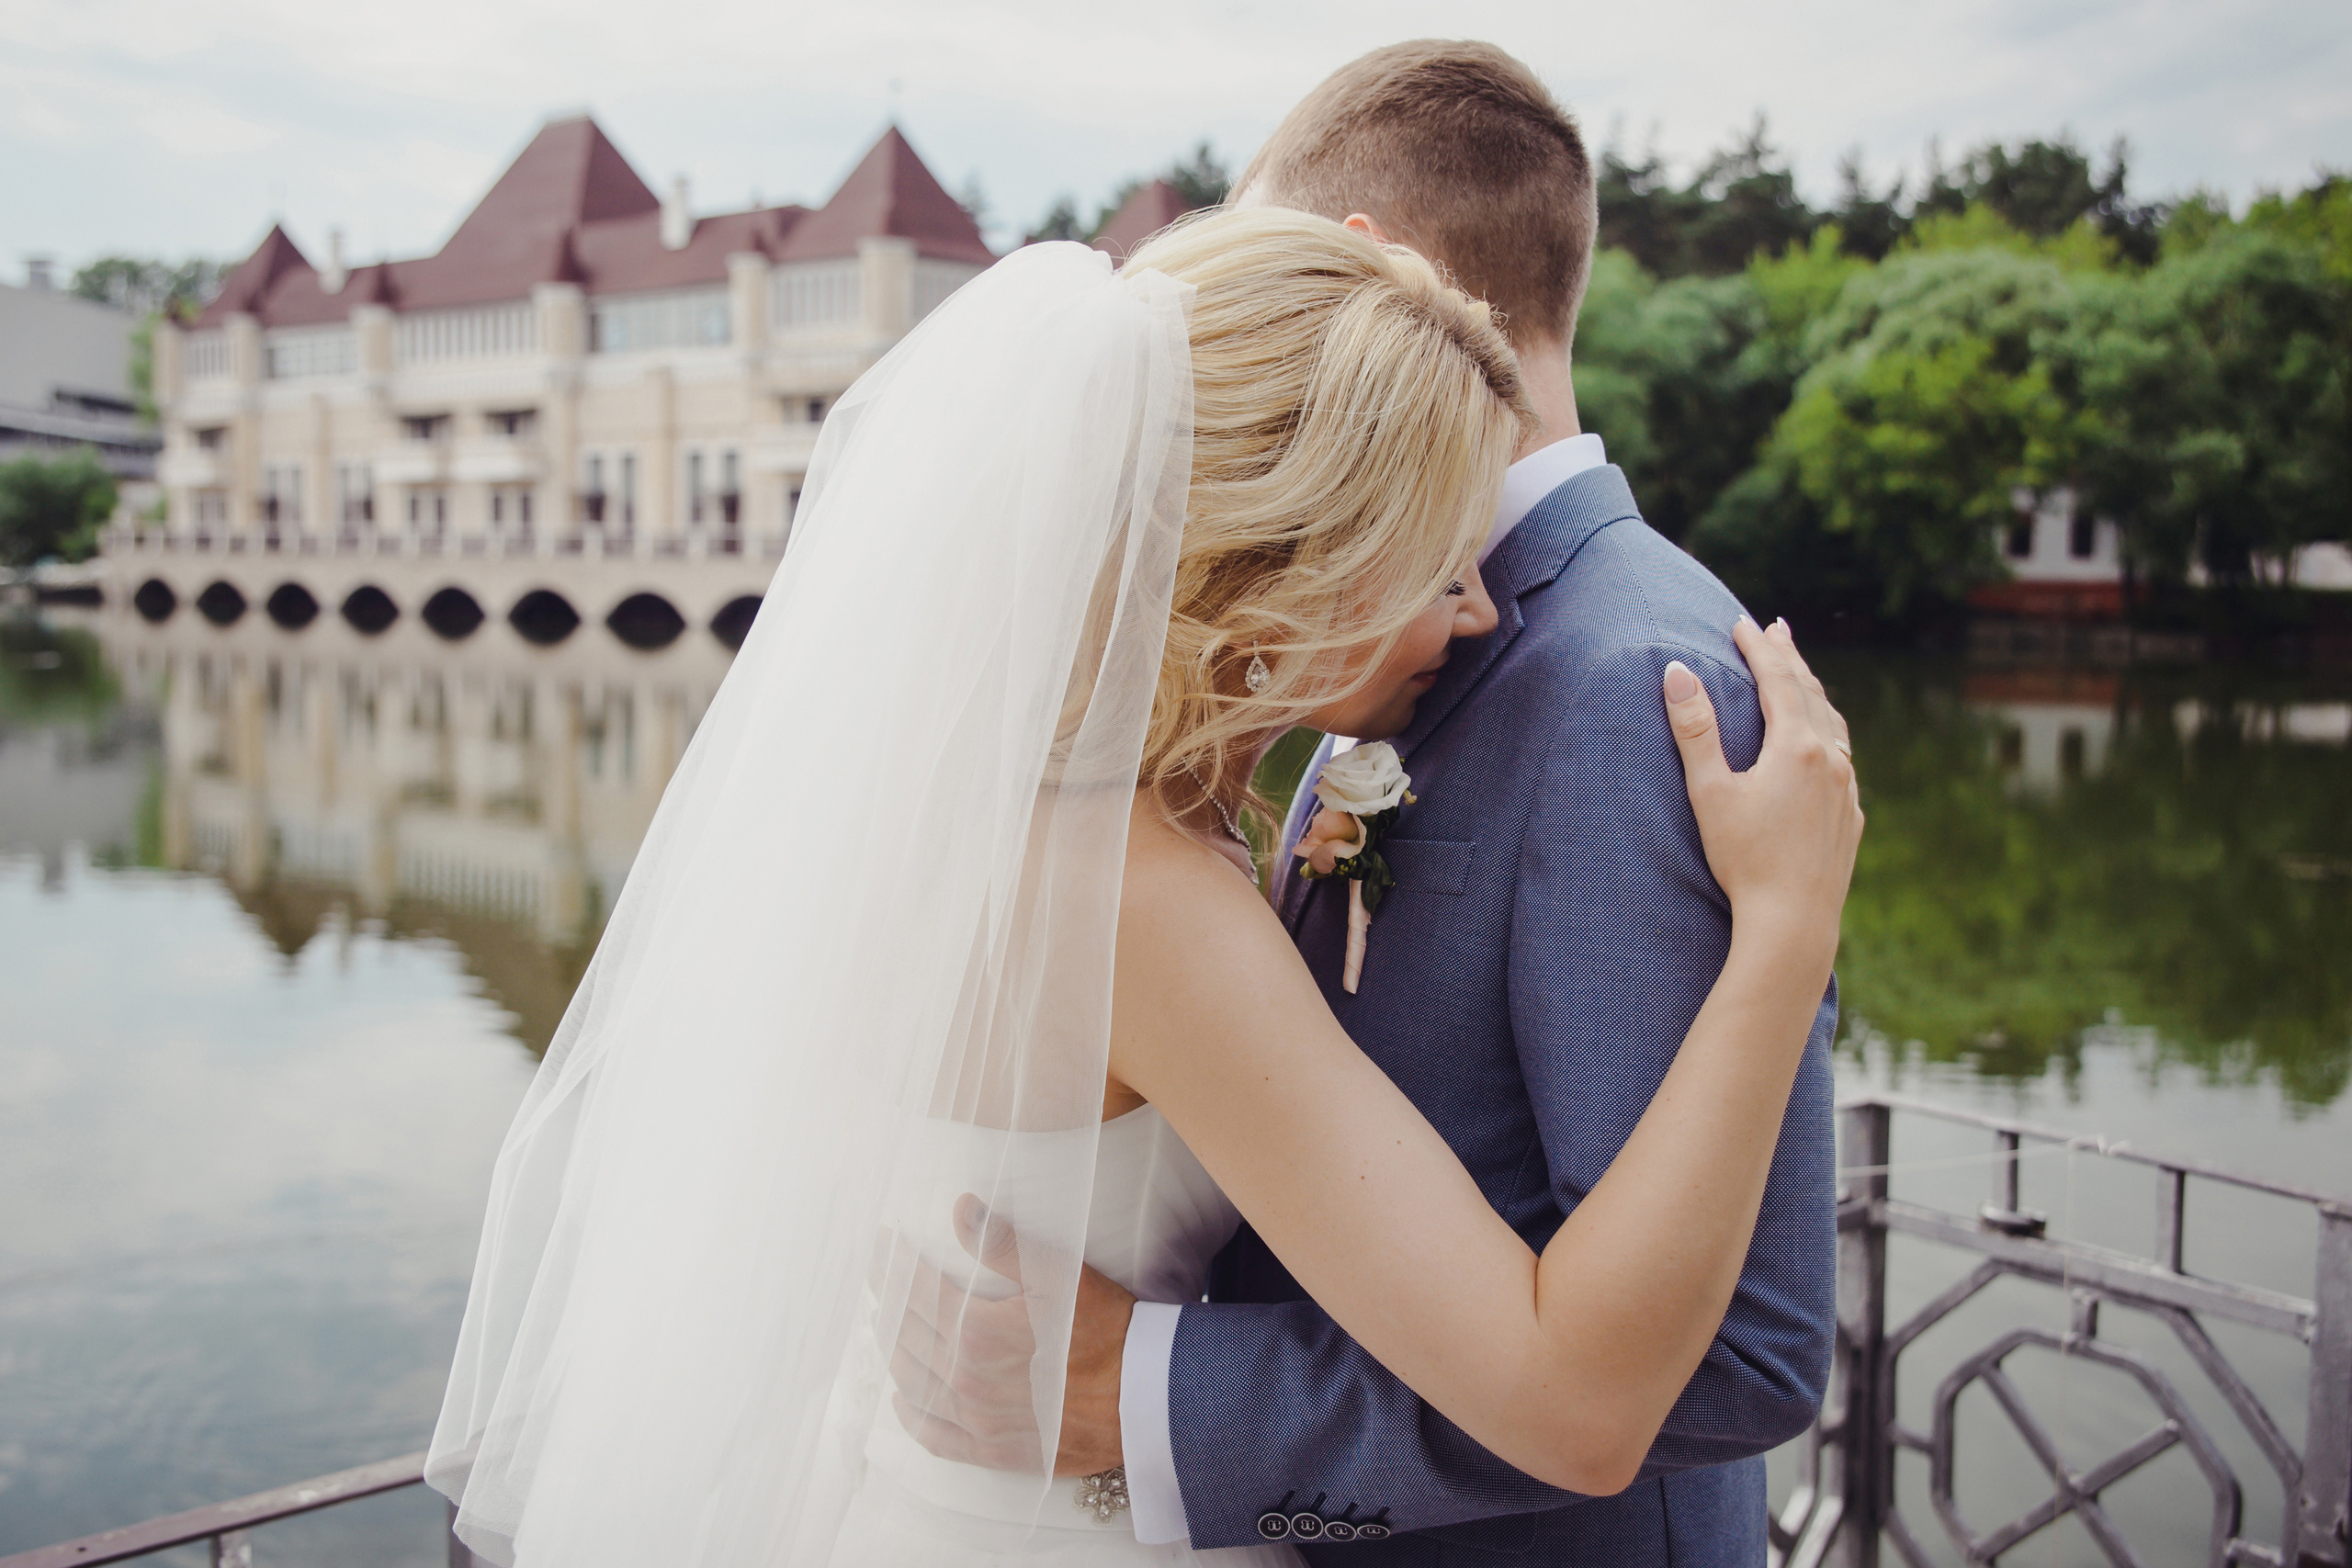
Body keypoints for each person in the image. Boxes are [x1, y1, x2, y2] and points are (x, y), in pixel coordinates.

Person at [425, 202, 1859, 1567]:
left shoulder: (974, 793)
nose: (1480, 606)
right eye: (1437, 559)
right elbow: (1577, 1402)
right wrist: (1784, 935)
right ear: (1290, 585)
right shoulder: (1145, 901)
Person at [893, 42, 1846, 1565]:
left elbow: (1733, 1359)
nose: (1465, 611)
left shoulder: (1637, 675)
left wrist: (1148, 1398)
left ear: (1377, 276)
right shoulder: (1174, 797)